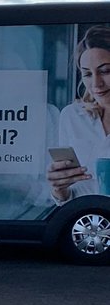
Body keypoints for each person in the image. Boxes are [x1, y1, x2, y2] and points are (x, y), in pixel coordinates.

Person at [47, 25, 110, 202]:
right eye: (87, 74)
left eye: (105, 71)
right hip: (86, 216)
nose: (96, 84)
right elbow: (70, 195)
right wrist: (59, 190)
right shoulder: (72, 116)